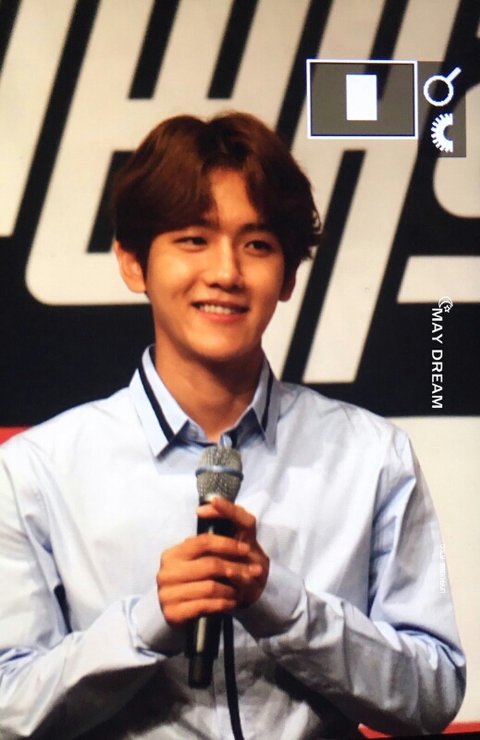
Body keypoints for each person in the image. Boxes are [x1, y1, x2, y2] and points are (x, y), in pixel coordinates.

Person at [0, 112, 465, 739]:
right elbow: (9, 707)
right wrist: (146, 624)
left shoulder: (372, 455)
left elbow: (433, 694)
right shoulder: (37, 470)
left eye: (257, 245)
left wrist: (281, 603)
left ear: (289, 276)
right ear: (133, 263)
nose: (225, 272)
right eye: (194, 239)